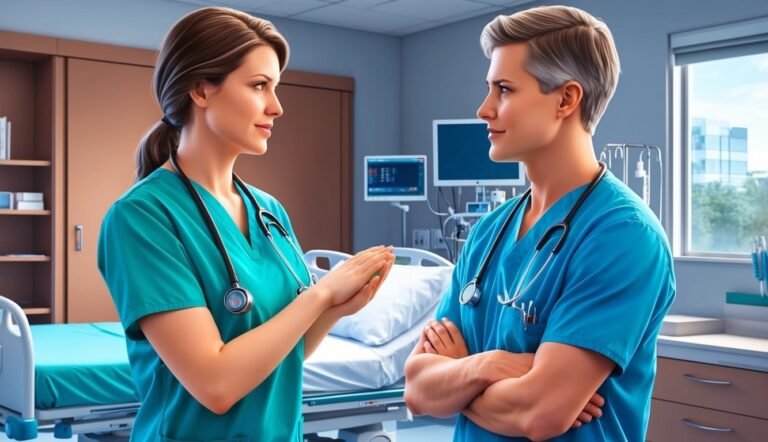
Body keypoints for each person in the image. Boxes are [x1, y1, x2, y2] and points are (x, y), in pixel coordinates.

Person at [98, 7, 394, 441]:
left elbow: (285, 354)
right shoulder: (143, 217)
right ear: (200, 89)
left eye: (275, 88)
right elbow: (216, 384)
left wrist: (334, 313)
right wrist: (323, 295)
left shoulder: (268, 211)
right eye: (259, 86)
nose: (276, 106)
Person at [403, 5, 675, 441]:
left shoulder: (622, 236)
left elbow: (540, 415)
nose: (483, 110)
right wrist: (490, 366)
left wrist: (459, 378)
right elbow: (417, 389)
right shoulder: (488, 232)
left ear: (566, 99)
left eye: (504, 90)